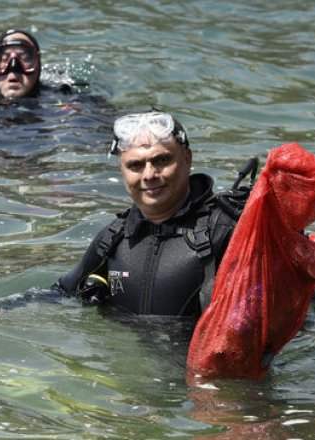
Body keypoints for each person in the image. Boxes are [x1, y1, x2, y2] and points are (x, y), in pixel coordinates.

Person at [50, 110, 239, 316]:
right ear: (122, 170)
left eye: (162, 160)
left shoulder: (225, 231)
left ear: (187, 159)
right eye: (135, 165)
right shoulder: (114, 239)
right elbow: (60, 294)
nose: (149, 175)